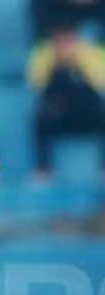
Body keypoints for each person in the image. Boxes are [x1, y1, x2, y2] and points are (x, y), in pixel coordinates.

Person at [27, 20, 105, 177]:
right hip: (59, 115)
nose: (63, 45)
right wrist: (55, 64)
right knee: (40, 118)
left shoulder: (90, 53)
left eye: (68, 40)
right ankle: (43, 169)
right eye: (59, 40)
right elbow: (36, 86)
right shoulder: (42, 55)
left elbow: (99, 85)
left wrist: (78, 63)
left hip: (87, 114)